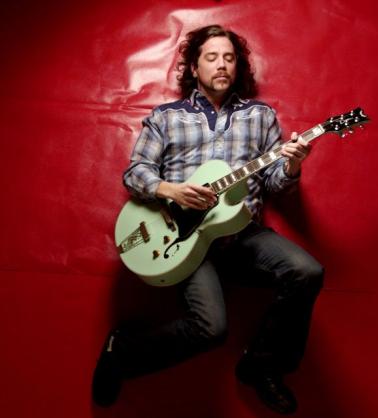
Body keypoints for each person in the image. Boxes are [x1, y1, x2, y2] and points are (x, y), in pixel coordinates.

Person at [92, 24, 324, 415]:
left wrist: (292, 165)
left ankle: (262, 365)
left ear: (238, 67)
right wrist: (170, 190)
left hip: (242, 235)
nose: (222, 65)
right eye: (212, 57)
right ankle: (123, 352)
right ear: (194, 67)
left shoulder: (260, 116)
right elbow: (135, 173)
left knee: (307, 271)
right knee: (211, 328)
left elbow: (275, 184)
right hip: (184, 241)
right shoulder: (167, 117)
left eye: (229, 58)